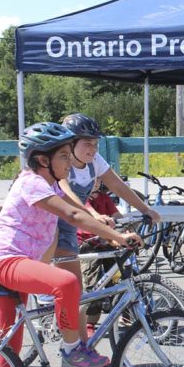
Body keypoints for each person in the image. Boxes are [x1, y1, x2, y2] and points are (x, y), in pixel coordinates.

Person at [0, 122, 142, 367]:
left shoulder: (50, 185)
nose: (70, 163)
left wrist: (112, 236)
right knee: (66, 283)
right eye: (64, 157)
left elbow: (76, 213)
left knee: (10, 345)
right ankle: (72, 352)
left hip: (18, 264)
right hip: (4, 261)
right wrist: (117, 236)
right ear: (43, 160)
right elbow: (72, 215)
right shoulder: (31, 182)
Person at [49, 113, 160, 348]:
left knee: (77, 294)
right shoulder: (62, 163)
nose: (93, 147)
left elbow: (117, 184)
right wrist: (94, 215)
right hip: (54, 226)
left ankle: (79, 349)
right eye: (87, 142)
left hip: (75, 224)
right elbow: (68, 196)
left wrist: (146, 209)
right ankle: (71, 344)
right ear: (70, 144)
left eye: (96, 143)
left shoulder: (94, 161)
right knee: (71, 290)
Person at [76, 183, 123, 337]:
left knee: (119, 278)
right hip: (88, 244)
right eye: (92, 179)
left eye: (97, 179)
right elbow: (89, 211)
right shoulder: (82, 198)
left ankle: (125, 312)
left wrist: (121, 222)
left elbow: (116, 215)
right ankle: (90, 323)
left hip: (107, 241)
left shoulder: (104, 198)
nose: (95, 182)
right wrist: (99, 217)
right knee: (92, 284)